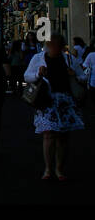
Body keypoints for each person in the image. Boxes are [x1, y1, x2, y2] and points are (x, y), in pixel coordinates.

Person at [24, 35, 85, 180]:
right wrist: (38, 73)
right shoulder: (39, 58)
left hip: (64, 100)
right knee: (49, 134)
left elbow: (83, 77)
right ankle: (48, 168)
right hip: (46, 100)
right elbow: (27, 76)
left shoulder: (69, 59)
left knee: (63, 136)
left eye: (57, 46)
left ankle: (59, 168)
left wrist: (74, 74)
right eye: (51, 45)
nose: (54, 48)